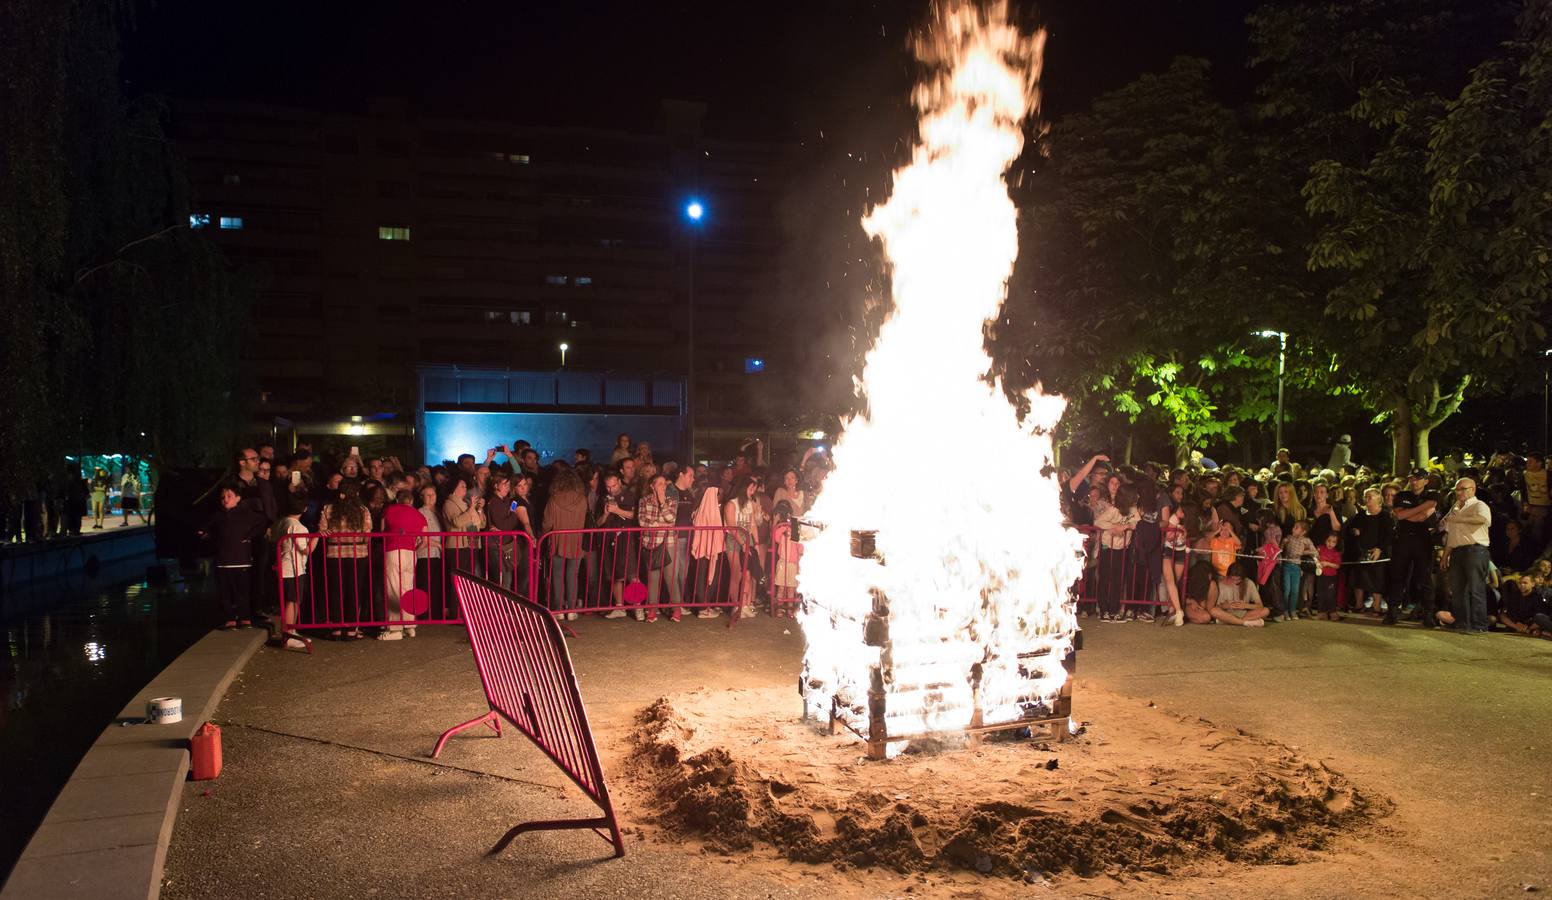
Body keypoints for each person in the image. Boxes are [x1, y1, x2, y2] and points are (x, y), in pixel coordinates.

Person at [200, 482, 271, 630]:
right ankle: (230, 618)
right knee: (225, 593)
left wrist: (248, 536)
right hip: (222, 560)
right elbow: (208, 529)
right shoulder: (217, 516)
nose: (225, 499)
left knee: (242, 591)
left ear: (238, 498)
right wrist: (206, 535)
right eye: (223, 497)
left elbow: (264, 521)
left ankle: (245, 618)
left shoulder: (246, 514)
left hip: (241, 560)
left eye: (229, 496)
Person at [1438, 477, 1492, 633]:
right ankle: (1462, 622)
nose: (1459, 492)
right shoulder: (1455, 508)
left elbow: (1482, 520)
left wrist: (1459, 518)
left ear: (1473, 489)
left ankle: (1479, 625)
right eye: (1457, 489)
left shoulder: (1479, 505)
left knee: (1476, 589)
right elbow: (1451, 535)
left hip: (1475, 550)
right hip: (1457, 551)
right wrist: (1445, 555)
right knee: (1458, 590)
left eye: (1463, 489)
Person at [319, 484, 372, 640]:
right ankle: (350, 628)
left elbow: (323, 530)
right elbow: (367, 532)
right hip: (359, 554)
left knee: (336, 590)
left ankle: (336, 627)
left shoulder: (328, 509)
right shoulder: (363, 511)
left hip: (335, 554)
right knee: (354, 590)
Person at [1389, 469, 1440, 626]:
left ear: (1426, 481)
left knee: (1424, 578)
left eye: (1418, 479)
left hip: (1423, 541)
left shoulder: (1433, 495)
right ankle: (1392, 612)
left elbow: (1423, 517)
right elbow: (1399, 515)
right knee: (1398, 576)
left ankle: (1428, 614)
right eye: (1412, 479)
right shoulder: (1402, 495)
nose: (1414, 482)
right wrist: (1422, 507)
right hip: (1403, 539)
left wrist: (1408, 513)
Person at [542, 467, 589, 620]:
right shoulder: (582, 499)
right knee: (573, 575)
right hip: (576, 540)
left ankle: (559, 608)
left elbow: (547, 523)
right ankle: (572, 609)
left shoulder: (553, 499)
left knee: (557, 575)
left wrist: (542, 534)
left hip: (557, 540)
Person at [271, 491, 314, 649]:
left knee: (292, 600)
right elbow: (306, 550)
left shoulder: (282, 522)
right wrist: (316, 538)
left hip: (283, 565)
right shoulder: (298, 527)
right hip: (293, 567)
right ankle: (289, 633)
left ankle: (291, 632)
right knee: (292, 601)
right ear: (304, 509)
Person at [380, 488, 424, 640]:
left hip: (393, 550)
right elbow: (425, 538)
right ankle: (410, 625)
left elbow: (382, 530)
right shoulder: (418, 514)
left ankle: (395, 629)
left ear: (397, 500)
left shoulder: (389, 510)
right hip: (410, 553)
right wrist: (415, 547)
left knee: (393, 588)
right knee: (408, 588)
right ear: (411, 501)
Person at [1346, 488, 1393, 615]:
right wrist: (1354, 530)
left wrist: (1379, 549)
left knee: (1377, 580)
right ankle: (1359, 604)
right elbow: (1350, 529)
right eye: (1365, 497)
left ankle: (1376, 606)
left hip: (1377, 552)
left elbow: (1389, 535)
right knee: (1358, 579)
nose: (1366, 500)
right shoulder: (1360, 515)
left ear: (1379, 500)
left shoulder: (1385, 516)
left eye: (1370, 497)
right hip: (1360, 551)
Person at [638, 473, 678, 621]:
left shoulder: (671, 501)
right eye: (660, 483)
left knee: (670, 577)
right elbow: (642, 522)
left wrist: (662, 503)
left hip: (668, 543)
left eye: (664, 484)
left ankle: (676, 609)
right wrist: (660, 525)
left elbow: (671, 519)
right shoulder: (644, 501)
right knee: (652, 578)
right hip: (650, 543)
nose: (663, 486)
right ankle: (652, 610)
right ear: (652, 486)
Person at [413, 484, 446, 619]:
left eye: (433, 494)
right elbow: (420, 536)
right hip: (425, 554)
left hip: (436, 554)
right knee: (424, 585)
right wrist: (437, 544)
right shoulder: (421, 512)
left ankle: (434, 613)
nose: (431, 497)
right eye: (428, 495)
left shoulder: (437, 512)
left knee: (435, 585)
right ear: (422, 497)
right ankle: (423, 614)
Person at [1281, 520, 1316, 621]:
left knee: (1295, 591)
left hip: (1296, 568)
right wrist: (1283, 544)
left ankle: (1292, 610)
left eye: (1296, 527)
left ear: (1303, 531)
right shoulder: (1288, 538)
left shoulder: (1306, 540)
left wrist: (1303, 552)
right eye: (1293, 527)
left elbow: (1315, 552)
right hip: (1286, 566)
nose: (1293, 529)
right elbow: (1281, 549)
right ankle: (1285, 610)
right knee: (1287, 589)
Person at [1315, 532, 1344, 620]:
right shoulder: (1320, 548)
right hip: (1321, 575)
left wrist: (1327, 563)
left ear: (1336, 543)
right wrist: (1317, 562)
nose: (1330, 543)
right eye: (1329, 541)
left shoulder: (1336, 553)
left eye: (1333, 542)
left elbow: (1337, 566)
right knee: (1321, 593)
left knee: (1330, 594)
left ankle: (1332, 612)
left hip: (1331, 576)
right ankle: (1322, 612)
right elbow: (1315, 557)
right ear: (1325, 540)